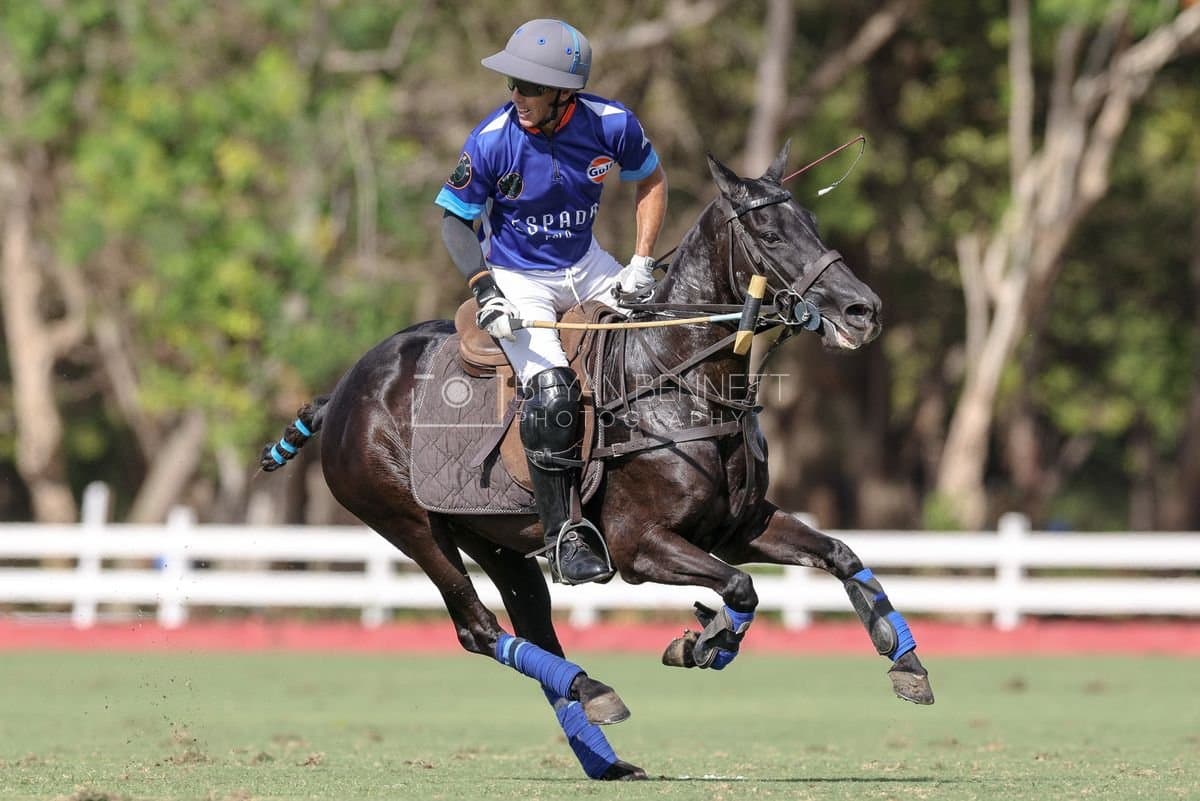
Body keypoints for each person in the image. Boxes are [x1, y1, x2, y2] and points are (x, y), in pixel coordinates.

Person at [435, 18, 668, 585]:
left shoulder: (612, 124)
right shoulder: (492, 139)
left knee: (666, 340)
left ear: (565, 92)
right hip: (519, 278)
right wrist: (485, 289)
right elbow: (455, 222)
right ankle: (565, 535)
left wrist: (641, 261)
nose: (517, 95)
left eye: (530, 86)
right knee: (553, 389)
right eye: (512, 83)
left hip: (589, 266)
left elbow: (652, 180)